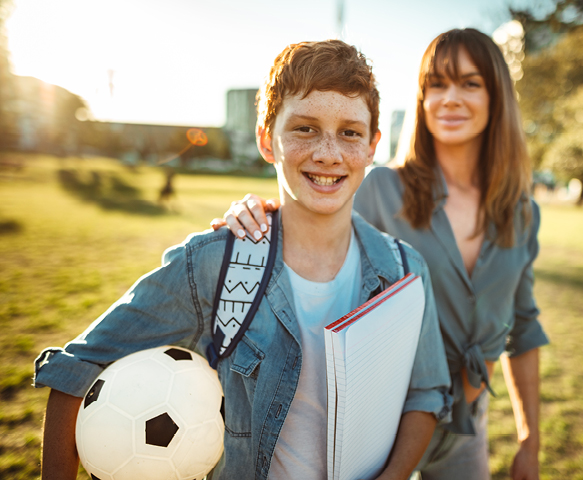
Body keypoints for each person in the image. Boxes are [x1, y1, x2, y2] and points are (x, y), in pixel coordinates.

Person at [34, 40, 452, 480]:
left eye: (350, 132)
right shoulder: (213, 263)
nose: (328, 153)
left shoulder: (403, 270)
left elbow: (425, 395)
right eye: (305, 128)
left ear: (372, 147)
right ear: (266, 140)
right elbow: (74, 370)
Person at [211, 28, 549, 480]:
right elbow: (314, 221)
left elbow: (522, 326)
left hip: (469, 425)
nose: (450, 98)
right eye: (437, 84)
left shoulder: (523, 213)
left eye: (470, 83)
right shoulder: (382, 189)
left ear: (497, 97)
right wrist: (256, 211)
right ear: (421, 98)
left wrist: (530, 440)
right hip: (384, 420)